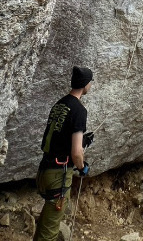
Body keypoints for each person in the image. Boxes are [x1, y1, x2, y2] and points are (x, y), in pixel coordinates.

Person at [33, 66, 94, 241]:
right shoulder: (79, 110)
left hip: (44, 170)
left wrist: (83, 140)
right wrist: (82, 167)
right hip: (58, 176)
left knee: (45, 224)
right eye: (91, 82)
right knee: (49, 232)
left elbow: (59, 136)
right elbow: (76, 153)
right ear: (85, 84)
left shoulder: (59, 105)